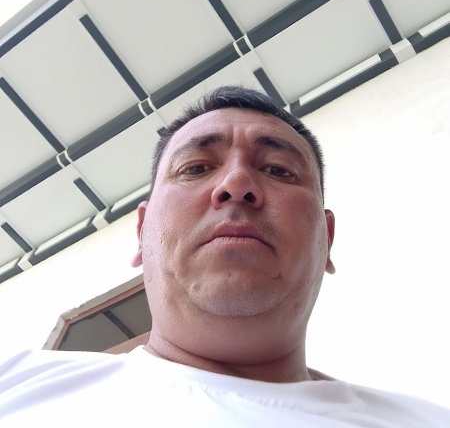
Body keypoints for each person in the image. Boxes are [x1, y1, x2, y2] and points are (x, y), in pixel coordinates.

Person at [0, 85, 448, 426]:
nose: (236, 184)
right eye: (195, 168)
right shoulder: (16, 384)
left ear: (327, 238)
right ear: (142, 232)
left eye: (278, 170)